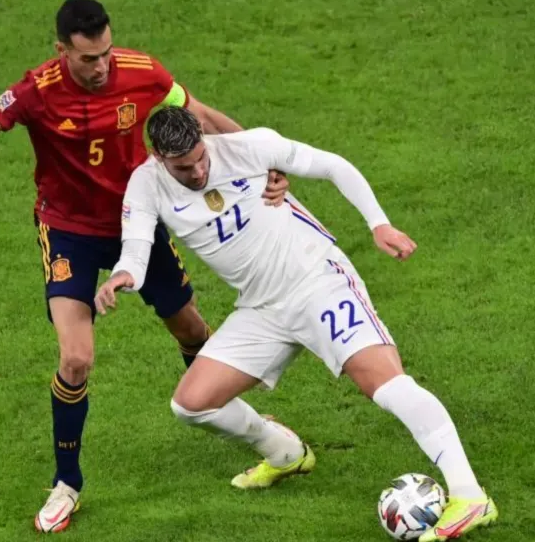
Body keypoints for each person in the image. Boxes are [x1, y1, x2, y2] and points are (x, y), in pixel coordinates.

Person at [0, 0, 290, 532]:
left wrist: (264, 156)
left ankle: (241, 420)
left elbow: (198, 114)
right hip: (68, 233)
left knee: (192, 327)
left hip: (138, 220)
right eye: (88, 58)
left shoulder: (142, 71)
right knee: (76, 358)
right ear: (62, 50)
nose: (102, 66)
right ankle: (67, 484)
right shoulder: (35, 92)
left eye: (106, 53)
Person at [94, 106, 498, 541]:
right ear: (158, 156)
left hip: (316, 280)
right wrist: (123, 276)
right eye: (183, 167)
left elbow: (332, 165)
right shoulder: (145, 184)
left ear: (203, 141)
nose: (197, 172)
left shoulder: (248, 147)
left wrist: (378, 224)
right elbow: (136, 248)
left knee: (384, 384)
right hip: (260, 309)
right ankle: (284, 452)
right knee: (192, 404)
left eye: (200, 159)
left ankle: (469, 495)